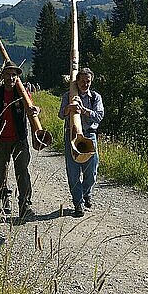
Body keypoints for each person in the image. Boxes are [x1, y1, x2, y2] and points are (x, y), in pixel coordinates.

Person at [0, 61, 39, 219]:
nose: (10, 77)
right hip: (0, 140)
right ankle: (5, 198)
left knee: (22, 171)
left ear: (17, 77)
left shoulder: (22, 92)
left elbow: (32, 109)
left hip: (19, 140)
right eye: (7, 74)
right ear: (2, 76)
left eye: (13, 74)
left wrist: (37, 110)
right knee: (2, 171)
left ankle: (25, 204)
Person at [58, 67, 104, 217]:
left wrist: (83, 110)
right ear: (77, 81)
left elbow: (99, 116)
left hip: (89, 135)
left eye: (88, 81)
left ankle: (86, 193)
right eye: (82, 81)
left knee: (91, 171)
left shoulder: (95, 97)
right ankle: (78, 203)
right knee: (73, 172)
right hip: (71, 135)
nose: (85, 84)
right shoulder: (68, 95)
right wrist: (68, 108)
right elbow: (60, 115)